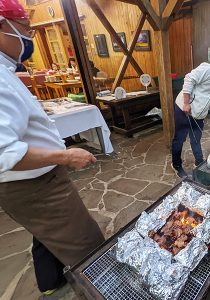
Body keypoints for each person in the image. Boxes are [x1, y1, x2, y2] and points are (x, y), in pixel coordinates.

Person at [0, 0, 104, 295]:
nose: (29, 38)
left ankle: (49, 282)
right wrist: (67, 155)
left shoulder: (7, 70)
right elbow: (4, 154)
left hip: (34, 184)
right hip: (36, 186)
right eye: (26, 30)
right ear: (2, 26)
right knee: (90, 247)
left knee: (45, 233)